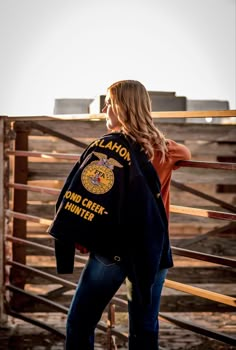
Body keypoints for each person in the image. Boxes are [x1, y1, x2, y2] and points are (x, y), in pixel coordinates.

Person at [47, 80, 191, 350]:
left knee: (80, 322)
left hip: (112, 250)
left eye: (110, 103)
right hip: (152, 249)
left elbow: (90, 194)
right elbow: (186, 153)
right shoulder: (164, 149)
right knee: (145, 327)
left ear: (123, 108)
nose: (105, 108)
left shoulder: (106, 148)